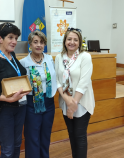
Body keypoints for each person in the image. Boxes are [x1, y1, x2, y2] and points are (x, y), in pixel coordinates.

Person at [0, 23, 29, 158]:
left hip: (19, 107)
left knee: (17, 145)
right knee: (7, 149)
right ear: (0, 38)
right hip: (3, 110)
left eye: (16, 38)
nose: (14, 41)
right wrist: (8, 98)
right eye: (10, 37)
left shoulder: (12, 56)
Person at [55, 28, 95, 158]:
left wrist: (73, 104)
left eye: (75, 40)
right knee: (71, 135)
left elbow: (84, 83)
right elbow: (57, 80)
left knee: (80, 135)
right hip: (66, 101)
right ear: (65, 41)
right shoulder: (59, 57)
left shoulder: (85, 57)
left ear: (80, 42)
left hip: (81, 102)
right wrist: (66, 99)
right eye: (69, 39)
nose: (72, 42)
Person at [19, 30, 57, 158]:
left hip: (49, 103)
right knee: (32, 138)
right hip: (32, 104)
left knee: (45, 136)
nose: (39, 45)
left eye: (41, 42)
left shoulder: (49, 59)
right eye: (35, 42)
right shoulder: (24, 62)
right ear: (30, 44)